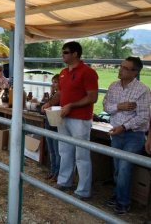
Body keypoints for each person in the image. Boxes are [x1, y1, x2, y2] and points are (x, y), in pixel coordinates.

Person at [41, 41, 98, 201]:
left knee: (81, 155)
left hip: (80, 119)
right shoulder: (64, 72)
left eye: (65, 52)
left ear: (75, 54)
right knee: (64, 151)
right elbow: (61, 93)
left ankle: (83, 191)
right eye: (63, 52)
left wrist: (71, 105)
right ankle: (64, 181)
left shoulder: (88, 72)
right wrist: (50, 102)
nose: (63, 55)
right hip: (64, 116)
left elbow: (93, 97)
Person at [103, 56, 151, 215]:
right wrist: (120, 106)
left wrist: (124, 127)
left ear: (135, 72)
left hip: (133, 134)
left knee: (124, 167)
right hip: (116, 132)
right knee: (117, 167)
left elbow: (143, 117)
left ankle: (123, 202)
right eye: (121, 66)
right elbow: (106, 107)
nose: (120, 69)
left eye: (125, 68)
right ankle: (118, 196)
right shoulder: (113, 86)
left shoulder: (142, 90)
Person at [44, 74, 60, 182]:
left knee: (56, 150)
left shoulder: (60, 94)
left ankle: (57, 172)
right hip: (49, 122)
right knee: (51, 150)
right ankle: (52, 170)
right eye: (52, 82)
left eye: (55, 82)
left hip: (55, 124)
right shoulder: (53, 94)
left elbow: (50, 105)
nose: (53, 84)